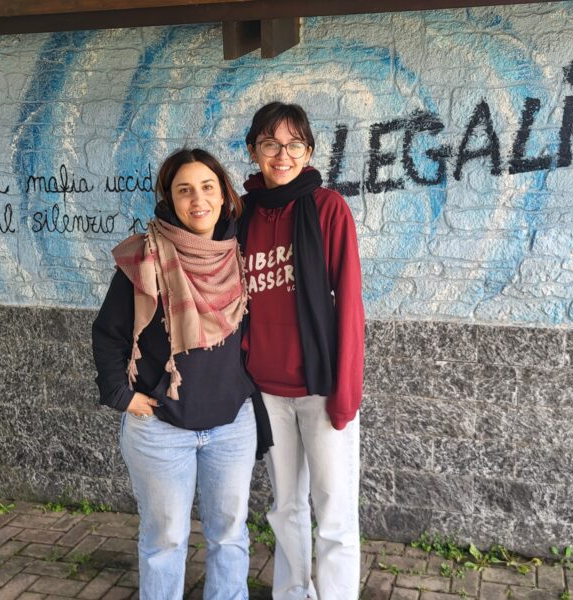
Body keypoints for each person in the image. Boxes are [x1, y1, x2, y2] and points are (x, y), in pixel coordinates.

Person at [92, 148, 269, 600]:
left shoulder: (241, 252)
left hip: (231, 425)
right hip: (161, 428)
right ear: (170, 199)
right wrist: (120, 394)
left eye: (207, 187)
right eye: (184, 190)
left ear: (224, 194)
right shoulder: (146, 256)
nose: (198, 200)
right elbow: (109, 332)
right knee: (166, 539)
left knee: (229, 533)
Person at [239, 102, 365, 600]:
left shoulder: (328, 208)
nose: (282, 154)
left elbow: (349, 303)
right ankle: (293, 592)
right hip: (266, 390)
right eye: (270, 143)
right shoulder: (242, 215)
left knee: (334, 511)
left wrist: (345, 393)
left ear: (309, 151)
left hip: (321, 385)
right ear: (254, 151)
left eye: (294, 144)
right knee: (285, 508)